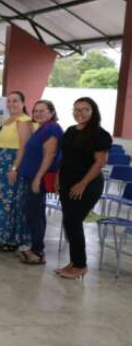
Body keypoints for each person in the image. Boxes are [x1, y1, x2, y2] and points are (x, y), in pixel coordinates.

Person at [55, 97, 111, 280]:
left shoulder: (99, 134)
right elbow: (65, 158)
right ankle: (74, 261)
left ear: (93, 111)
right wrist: (57, 178)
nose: (79, 113)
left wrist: (82, 184)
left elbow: (99, 163)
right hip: (67, 182)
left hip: (87, 184)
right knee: (69, 222)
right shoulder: (71, 131)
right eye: (76, 109)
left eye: (84, 109)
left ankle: (80, 265)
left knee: (73, 221)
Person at [0, 91, 33, 251]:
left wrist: (14, 168)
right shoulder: (5, 120)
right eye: (9, 101)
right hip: (0, 165)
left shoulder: (24, 121)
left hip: (11, 165)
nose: (11, 104)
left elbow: (24, 147)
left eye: (15, 101)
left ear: (23, 102)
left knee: (10, 201)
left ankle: (11, 239)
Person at [18, 100, 63, 265]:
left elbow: (49, 156)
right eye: (35, 110)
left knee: (34, 213)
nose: (37, 113)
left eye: (42, 111)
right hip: (31, 176)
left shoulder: (52, 128)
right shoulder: (42, 128)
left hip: (38, 177)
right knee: (34, 212)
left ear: (51, 112)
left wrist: (37, 178)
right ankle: (36, 248)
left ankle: (38, 250)